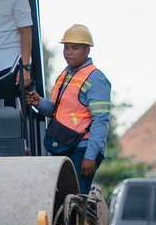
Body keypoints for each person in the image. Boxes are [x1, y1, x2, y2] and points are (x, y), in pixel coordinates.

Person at [25, 24, 111, 194]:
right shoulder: (66, 75)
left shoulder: (96, 78)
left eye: (75, 48)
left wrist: (90, 156)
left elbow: (101, 120)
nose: (68, 52)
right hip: (65, 145)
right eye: (66, 47)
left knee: (75, 199)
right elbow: (59, 112)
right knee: (58, 198)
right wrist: (39, 102)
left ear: (87, 50)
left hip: (83, 149)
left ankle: (80, 221)